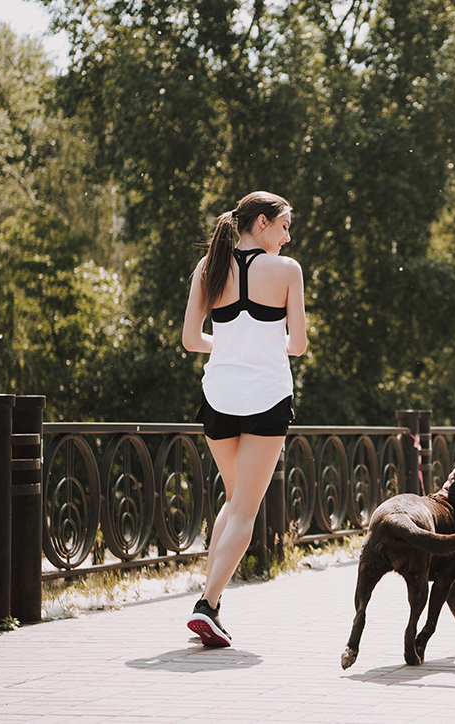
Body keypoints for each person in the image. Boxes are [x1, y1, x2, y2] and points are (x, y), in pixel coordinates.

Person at [181, 191, 308, 646]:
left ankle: (209, 603)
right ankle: (207, 604)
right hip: (266, 399)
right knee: (245, 509)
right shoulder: (287, 271)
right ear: (261, 222)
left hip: (217, 399)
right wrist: (260, 345)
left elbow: (192, 339)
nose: (287, 237)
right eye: (284, 226)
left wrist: (230, 346)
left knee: (234, 500)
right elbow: (297, 346)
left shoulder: (210, 267)